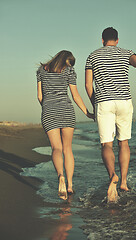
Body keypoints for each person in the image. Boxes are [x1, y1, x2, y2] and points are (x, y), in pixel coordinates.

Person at [85, 27, 136, 202]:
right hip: (124, 101)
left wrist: (94, 104)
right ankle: (123, 182)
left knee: (106, 144)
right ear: (117, 40)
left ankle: (112, 175)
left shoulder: (92, 56)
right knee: (124, 143)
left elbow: (88, 85)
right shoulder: (126, 53)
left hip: (104, 102)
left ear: (102, 40)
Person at [37, 50, 94, 200]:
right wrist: (87, 112)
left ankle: (60, 176)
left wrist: (48, 107)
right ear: (66, 60)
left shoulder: (41, 70)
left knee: (56, 148)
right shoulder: (69, 71)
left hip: (49, 111)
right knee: (67, 149)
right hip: (66, 110)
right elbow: (75, 95)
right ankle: (69, 185)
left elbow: (39, 96)